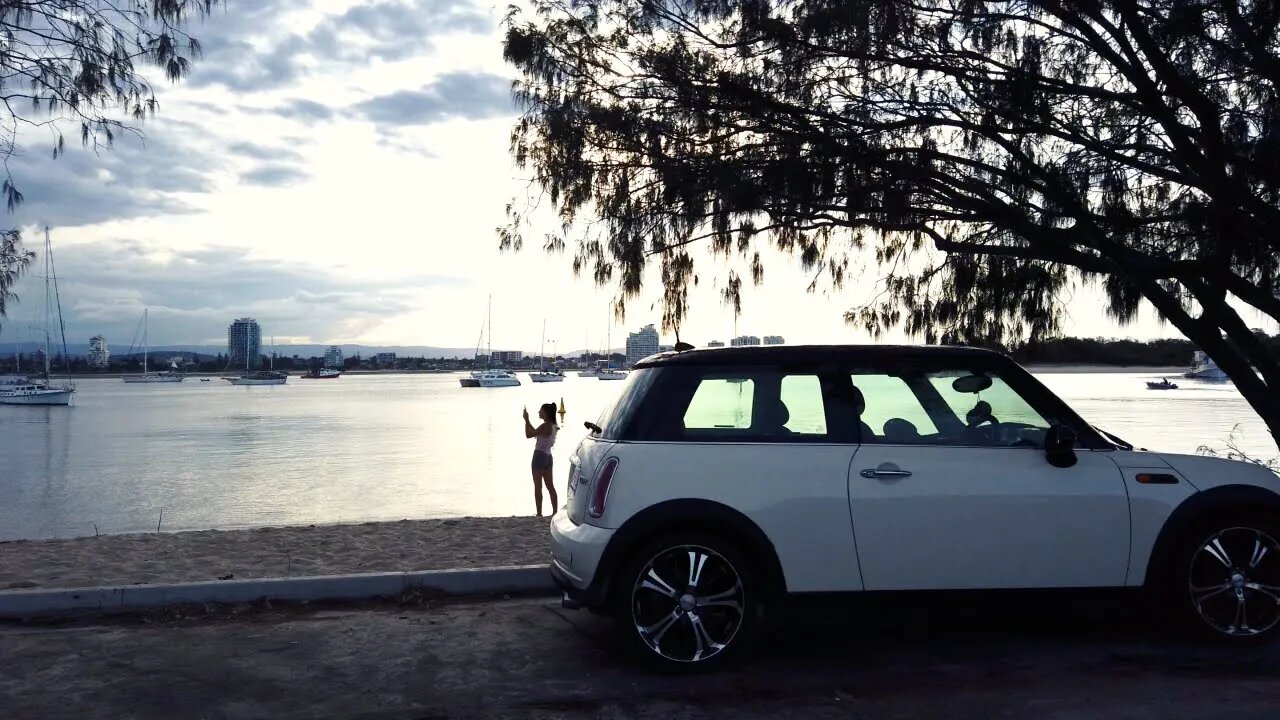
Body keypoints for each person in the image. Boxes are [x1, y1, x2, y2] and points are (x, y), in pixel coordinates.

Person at [523, 402, 559, 516]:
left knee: (538, 487)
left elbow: (529, 434)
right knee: (550, 486)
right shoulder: (552, 426)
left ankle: (539, 513)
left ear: (546, 413)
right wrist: (528, 422)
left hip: (539, 456)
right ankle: (554, 512)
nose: (539, 412)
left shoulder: (545, 426)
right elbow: (536, 432)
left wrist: (526, 420)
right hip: (548, 456)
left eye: (540, 410)